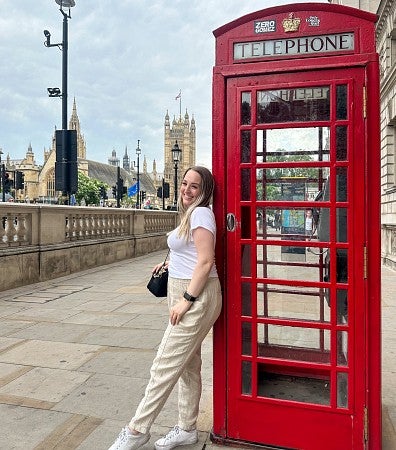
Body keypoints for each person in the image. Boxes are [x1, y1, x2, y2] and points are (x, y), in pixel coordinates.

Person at [108, 166, 222, 450]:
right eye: (184, 183)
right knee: (188, 366)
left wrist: (187, 300)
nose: (186, 189)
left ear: (205, 190)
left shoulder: (200, 213)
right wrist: (170, 263)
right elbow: (192, 252)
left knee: (164, 363)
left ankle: (137, 430)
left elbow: (206, 261)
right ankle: (187, 428)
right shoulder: (190, 214)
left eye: (194, 186)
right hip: (184, 288)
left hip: (196, 295)